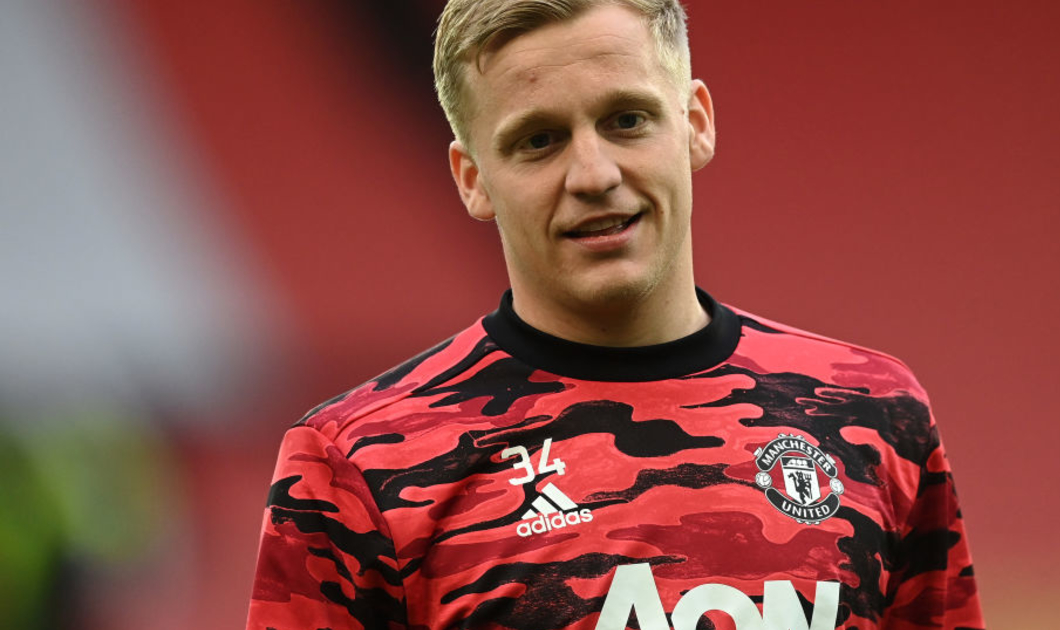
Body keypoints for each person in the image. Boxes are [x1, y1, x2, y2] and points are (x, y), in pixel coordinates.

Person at [245, 1, 985, 629]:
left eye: (626, 120)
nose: (594, 175)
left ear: (695, 123)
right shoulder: (355, 465)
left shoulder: (873, 411)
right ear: (472, 179)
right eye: (539, 140)